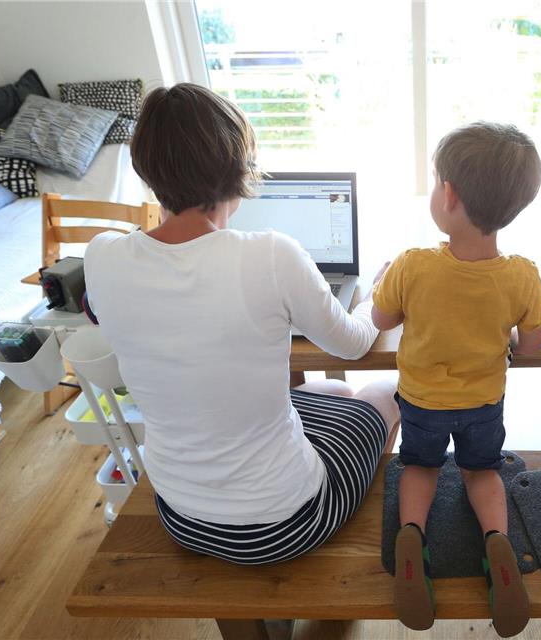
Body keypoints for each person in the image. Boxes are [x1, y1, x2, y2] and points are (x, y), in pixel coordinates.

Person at [84, 83, 399, 565]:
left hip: (179, 513)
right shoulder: (269, 254)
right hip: (286, 523)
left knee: (333, 396)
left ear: (147, 168)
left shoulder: (102, 256)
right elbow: (354, 345)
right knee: (385, 392)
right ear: (236, 169)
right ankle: (367, 529)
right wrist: (378, 293)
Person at [372, 122, 541, 637]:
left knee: (421, 468)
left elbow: (381, 321)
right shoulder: (521, 274)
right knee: (481, 472)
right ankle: (497, 540)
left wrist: (384, 281)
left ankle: (411, 534)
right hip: (483, 404)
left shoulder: (411, 266)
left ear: (448, 195)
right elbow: (532, 344)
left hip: (424, 403)